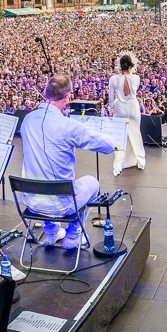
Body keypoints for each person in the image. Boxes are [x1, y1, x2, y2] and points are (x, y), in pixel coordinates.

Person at [18, 75, 117, 248]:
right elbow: (108, 146)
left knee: (45, 177)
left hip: (30, 201)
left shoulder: (27, 120)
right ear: (67, 98)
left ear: (45, 92)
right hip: (62, 205)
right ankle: (73, 235)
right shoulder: (67, 126)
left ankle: (51, 232)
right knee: (93, 183)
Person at [107, 51, 146, 175]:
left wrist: (110, 110)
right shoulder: (136, 78)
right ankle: (140, 161)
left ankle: (119, 164)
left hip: (119, 108)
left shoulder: (113, 79)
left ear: (120, 65)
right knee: (135, 133)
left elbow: (111, 99)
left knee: (119, 137)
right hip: (133, 107)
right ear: (131, 65)